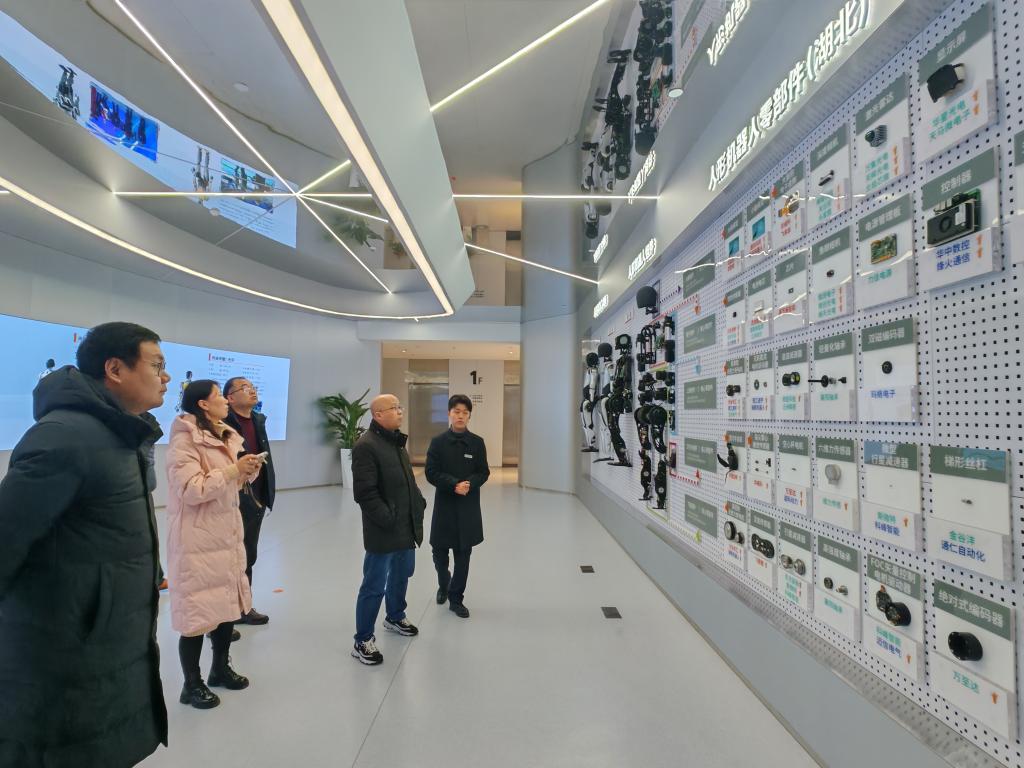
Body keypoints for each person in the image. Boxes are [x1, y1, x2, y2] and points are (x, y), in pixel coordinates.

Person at [0, 321, 170, 767]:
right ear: (115, 369)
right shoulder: (65, 436)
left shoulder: (123, 434)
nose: (166, 377)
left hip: (109, 643)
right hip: (67, 652)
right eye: (156, 365)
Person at [165, 380, 263, 709]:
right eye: (219, 396)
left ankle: (220, 669)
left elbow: (226, 483)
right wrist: (234, 469)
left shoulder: (223, 434)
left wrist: (245, 471)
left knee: (225, 607)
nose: (225, 401)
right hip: (197, 539)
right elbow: (191, 489)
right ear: (203, 404)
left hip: (225, 535)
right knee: (197, 615)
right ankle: (191, 684)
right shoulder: (184, 440)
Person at [351, 394, 426, 665]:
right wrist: (387, 518)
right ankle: (362, 639)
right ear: (378, 415)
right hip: (383, 528)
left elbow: (408, 482)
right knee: (374, 584)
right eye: (393, 408)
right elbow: (365, 493)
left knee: (402, 574)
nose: (399, 411)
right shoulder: (366, 446)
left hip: (405, 523)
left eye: (399, 407)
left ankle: (395, 616)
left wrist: (418, 503)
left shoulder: (396, 443)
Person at [425, 394, 490, 618]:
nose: (460, 416)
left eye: (465, 412)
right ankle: (444, 584)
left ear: (469, 415)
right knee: (439, 554)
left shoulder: (477, 443)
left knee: (463, 554)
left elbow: (483, 472)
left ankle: (456, 599)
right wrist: (453, 484)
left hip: (467, 507)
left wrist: (469, 484)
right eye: (456, 412)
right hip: (444, 505)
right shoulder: (438, 442)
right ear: (449, 414)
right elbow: (431, 472)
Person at [223, 376, 276, 626]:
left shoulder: (257, 419)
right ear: (230, 398)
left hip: (257, 495)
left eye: (253, 387)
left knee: (248, 554)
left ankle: (243, 607)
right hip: (233, 495)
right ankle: (225, 613)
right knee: (230, 556)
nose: (252, 391)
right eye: (245, 388)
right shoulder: (224, 423)